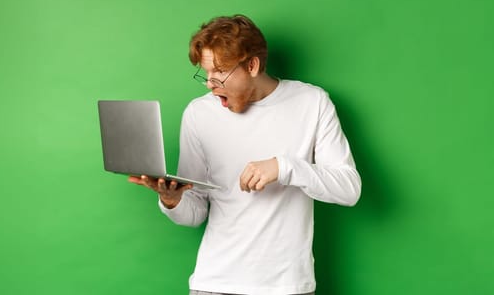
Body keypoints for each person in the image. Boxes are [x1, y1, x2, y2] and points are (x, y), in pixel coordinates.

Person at [128, 15, 361, 295]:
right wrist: (171, 199)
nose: (210, 85)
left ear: (252, 65)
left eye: (220, 73)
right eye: (206, 74)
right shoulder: (199, 114)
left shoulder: (312, 103)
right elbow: (195, 212)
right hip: (214, 285)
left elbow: (349, 189)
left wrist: (284, 167)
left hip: (287, 287)